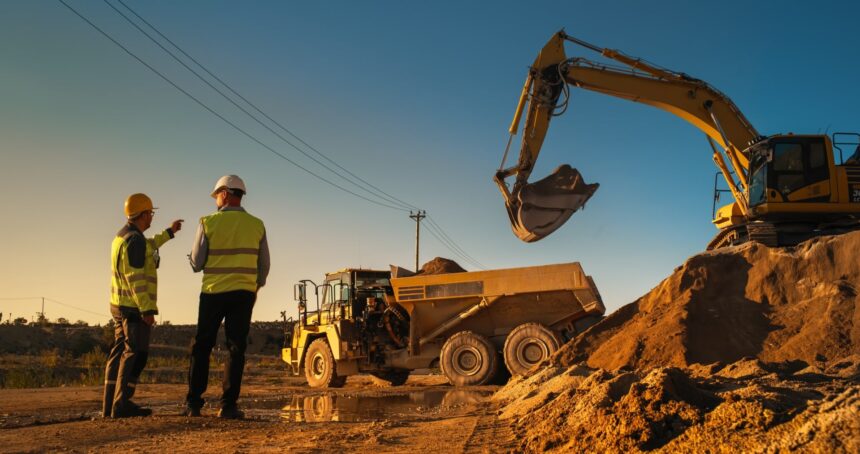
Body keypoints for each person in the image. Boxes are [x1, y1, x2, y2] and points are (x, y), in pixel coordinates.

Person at [184, 175, 270, 419]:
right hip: (243, 294)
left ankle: (194, 405)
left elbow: (197, 263)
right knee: (236, 348)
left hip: (213, 292)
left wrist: (191, 258)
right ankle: (228, 406)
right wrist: (255, 287)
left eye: (216, 195)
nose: (215, 201)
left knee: (202, 346)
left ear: (224, 193)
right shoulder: (257, 224)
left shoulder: (207, 222)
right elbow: (264, 265)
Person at [104, 193, 183, 418]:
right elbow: (135, 279)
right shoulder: (135, 240)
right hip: (133, 307)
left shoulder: (124, 236)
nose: (152, 217)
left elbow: (150, 245)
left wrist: (170, 232)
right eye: (151, 213)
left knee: (119, 353)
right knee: (135, 353)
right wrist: (147, 310)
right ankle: (122, 404)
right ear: (144, 214)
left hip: (119, 305)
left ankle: (110, 404)